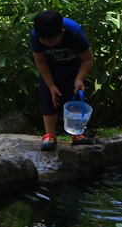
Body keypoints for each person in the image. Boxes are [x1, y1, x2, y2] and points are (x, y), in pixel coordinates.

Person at [31, 9, 95, 150]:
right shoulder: (36, 36)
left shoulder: (74, 33)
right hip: (50, 69)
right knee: (48, 97)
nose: (48, 43)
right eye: (44, 40)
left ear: (62, 32)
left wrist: (79, 79)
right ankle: (49, 135)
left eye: (52, 40)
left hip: (74, 68)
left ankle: (78, 133)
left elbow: (88, 58)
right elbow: (40, 62)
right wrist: (51, 85)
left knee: (75, 96)